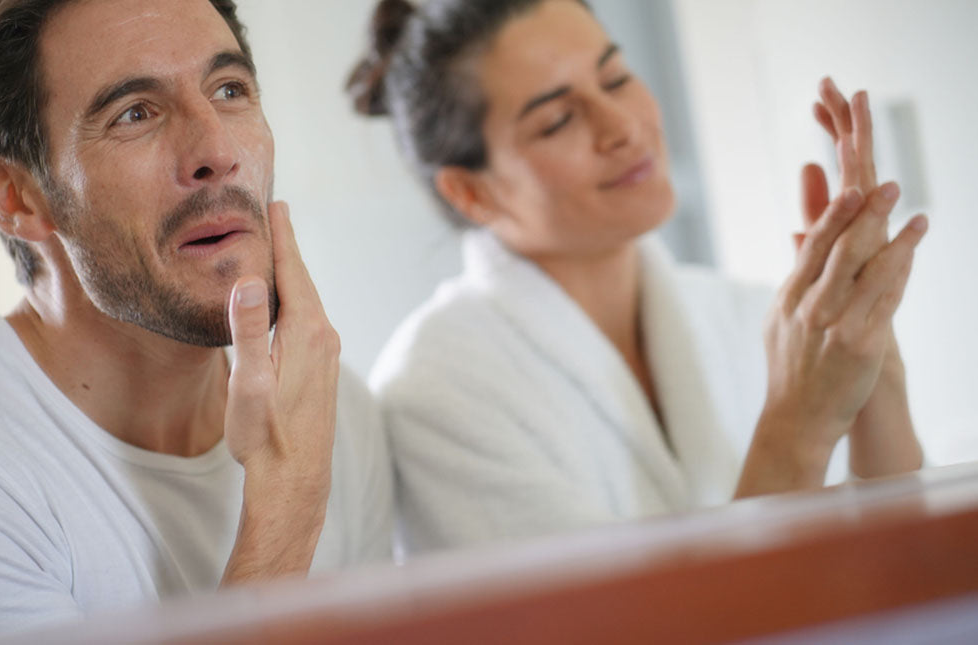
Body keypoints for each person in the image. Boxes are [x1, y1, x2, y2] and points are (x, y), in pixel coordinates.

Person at [0, 0, 393, 642]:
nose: (217, 150)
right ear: (17, 196)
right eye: (135, 114)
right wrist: (289, 504)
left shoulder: (337, 410)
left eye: (228, 90)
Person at [349, 0, 927, 554]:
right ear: (470, 191)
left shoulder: (751, 318)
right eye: (558, 120)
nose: (622, 126)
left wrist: (875, 363)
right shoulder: (439, 395)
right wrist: (799, 425)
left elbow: (912, 576)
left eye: (616, 78)